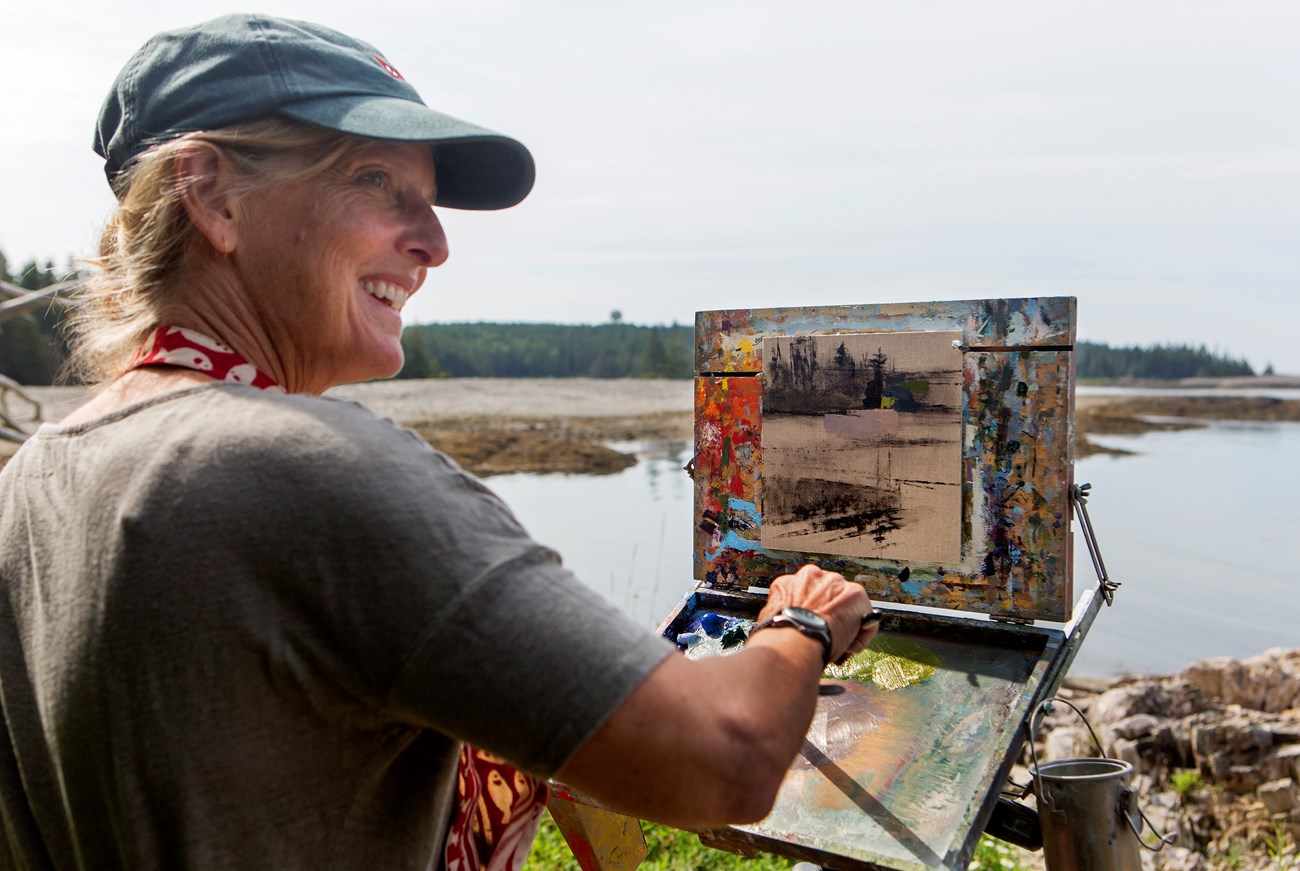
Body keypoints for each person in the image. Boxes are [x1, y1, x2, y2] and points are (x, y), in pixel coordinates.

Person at [0, 14, 879, 870]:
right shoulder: (303, 466)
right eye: (378, 181)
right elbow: (723, 756)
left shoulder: (35, 475)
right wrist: (801, 620)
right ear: (212, 193)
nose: (434, 243)